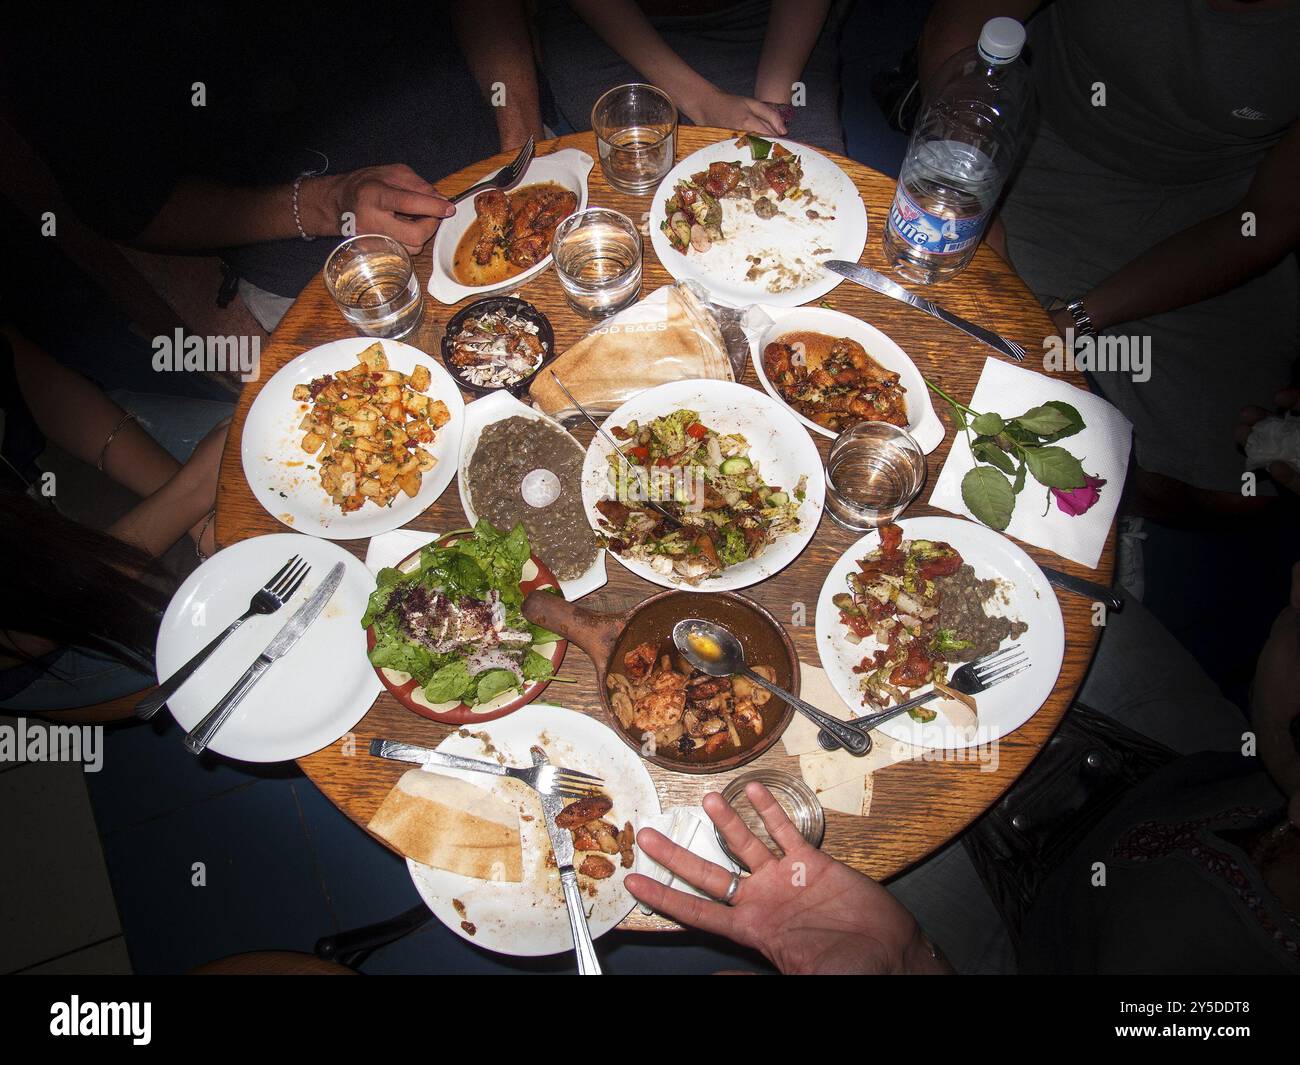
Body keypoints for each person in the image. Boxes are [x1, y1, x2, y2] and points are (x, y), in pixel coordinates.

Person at [630, 558, 1300, 974]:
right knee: (1074, 596)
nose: (1285, 603)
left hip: (1026, 921)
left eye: (1298, 614)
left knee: (833, 811)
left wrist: (907, 957)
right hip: (1183, 769)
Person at [918, 0, 1299, 511]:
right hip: (1026, 150)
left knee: (1233, 488)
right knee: (952, 350)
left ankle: (1107, 524)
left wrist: (1080, 317)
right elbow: (959, 26)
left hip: (1213, 218)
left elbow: (1269, 218)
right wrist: (980, 205)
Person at [3, 2, 529, 332]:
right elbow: (127, 203)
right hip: (327, 273)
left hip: (505, 160)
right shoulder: (49, 33)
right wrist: (329, 204)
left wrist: (519, 140)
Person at [0, 326, 231, 711]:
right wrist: (189, 496)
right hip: (56, 626)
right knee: (258, 626)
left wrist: (199, 506)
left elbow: (33, 379)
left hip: (46, 457)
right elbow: (33, 629)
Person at [534, 0, 848, 154]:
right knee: (636, 170)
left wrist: (774, 105)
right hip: (614, 27)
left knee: (815, 165)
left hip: (763, 21)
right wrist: (702, 102)